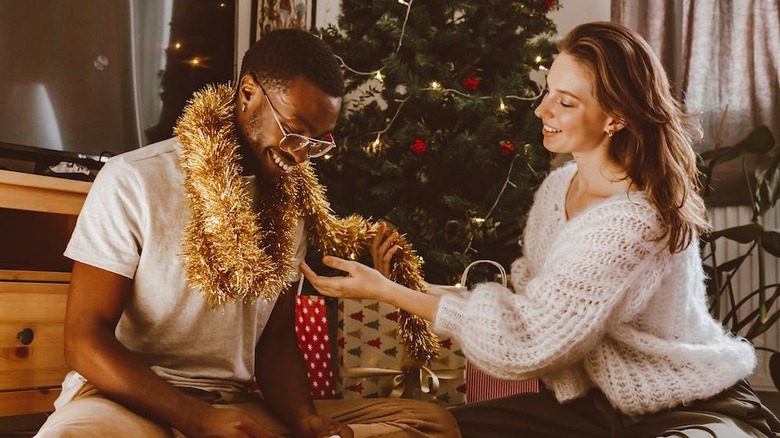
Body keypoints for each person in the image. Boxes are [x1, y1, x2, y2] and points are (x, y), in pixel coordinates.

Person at [300, 22, 780, 437]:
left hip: (693, 410)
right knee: (440, 429)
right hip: (597, 411)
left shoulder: (633, 220)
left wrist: (391, 294)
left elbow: (529, 342)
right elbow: (528, 303)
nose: (541, 110)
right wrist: (415, 287)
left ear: (615, 117)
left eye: (566, 102)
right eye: (548, 90)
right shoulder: (560, 187)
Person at [35, 29, 459, 438]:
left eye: (316, 143)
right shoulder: (133, 181)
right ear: (248, 92)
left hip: (230, 407)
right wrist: (197, 420)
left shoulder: (288, 206)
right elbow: (83, 340)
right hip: (125, 402)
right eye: (294, 130)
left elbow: (273, 343)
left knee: (432, 424)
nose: (301, 154)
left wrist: (305, 420)